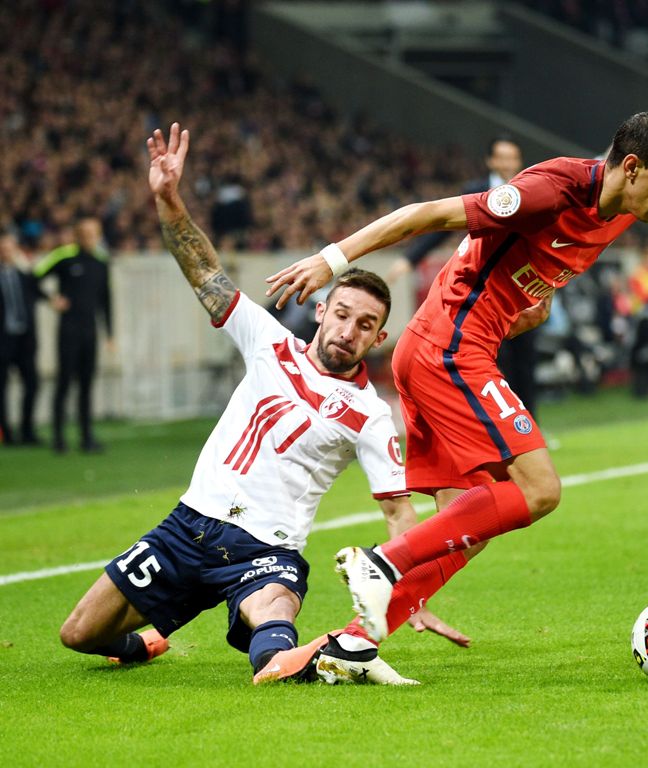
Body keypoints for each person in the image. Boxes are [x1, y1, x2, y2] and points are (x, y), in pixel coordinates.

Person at [264, 111, 648, 667]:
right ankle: (386, 562)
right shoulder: (548, 191)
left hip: (444, 348)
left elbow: (530, 266)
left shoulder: (621, 212)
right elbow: (427, 215)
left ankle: (349, 645)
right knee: (539, 490)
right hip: (450, 348)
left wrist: (531, 302)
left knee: (467, 525)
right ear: (632, 168)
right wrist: (332, 260)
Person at [59, 123, 446, 687]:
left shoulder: (371, 413)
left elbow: (397, 512)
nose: (349, 330)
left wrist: (413, 593)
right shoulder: (268, 341)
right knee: (78, 634)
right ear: (320, 312)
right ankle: (148, 642)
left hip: (266, 548)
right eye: (341, 315)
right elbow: (204, 271)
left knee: (271, 627)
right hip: (187, 528)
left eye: (366, 325)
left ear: (378, 338)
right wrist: (168, 199)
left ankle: (301, 658)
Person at [386, 137, 544, 419]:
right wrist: (409, 259)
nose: (509, 164)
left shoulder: (532, 190)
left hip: (523, 290)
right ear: (491, 161)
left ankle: (530, 427)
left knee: (526, 361)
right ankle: (498, 423)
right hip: (485, 292)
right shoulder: (476, 191)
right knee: (495, 360)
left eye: (513, 158)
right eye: (503, 158)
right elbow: (442, 225)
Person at [33, 217, 114, 453]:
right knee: (64, 383)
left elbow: (106, 300)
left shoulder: (101, 262)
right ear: (78, 235)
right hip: (68, 331)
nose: (90, 238)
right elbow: (34, 277)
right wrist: (51, 299)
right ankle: (58, 438)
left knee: (87, 385)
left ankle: (87, 438)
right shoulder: (64, 257)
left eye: (94, 234)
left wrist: (109, 333)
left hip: (90, 332)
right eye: (86, 233)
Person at [0, 232, 44, 445]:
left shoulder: (23, 274)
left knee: (32, 384)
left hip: (25, 339)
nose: (6, 253)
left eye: (9, 248)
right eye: (3, 249)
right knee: (2, 388)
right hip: (3, 339)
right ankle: (6, 433)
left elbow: (38, 288)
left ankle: (28, 430)